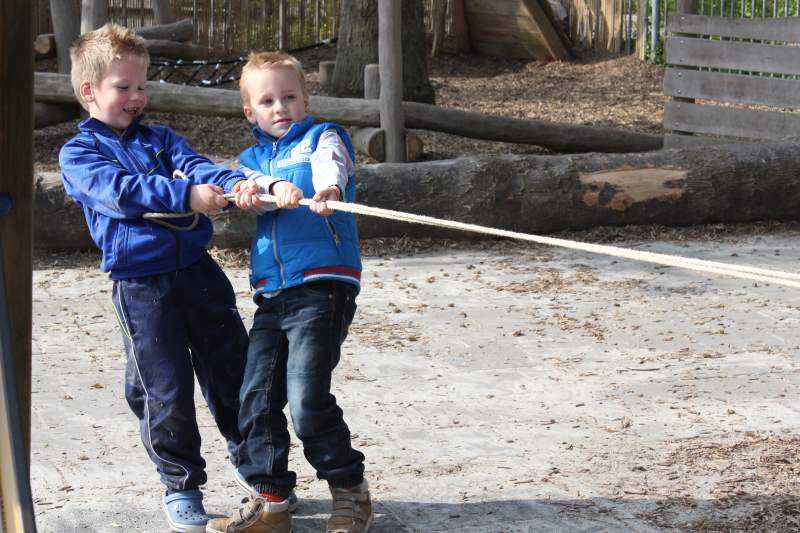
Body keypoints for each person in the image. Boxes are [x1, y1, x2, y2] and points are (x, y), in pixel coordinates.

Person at [59, 23, 252, 533]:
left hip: (198, 273)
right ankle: (181, 482)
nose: (136, 97)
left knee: (233, 366)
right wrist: (184, 195)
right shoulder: (78, 155)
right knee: (162, 388)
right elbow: (120, 191)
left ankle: (254, 464)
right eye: (123, 87)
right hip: (140, 285)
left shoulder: (162, 140)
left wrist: (239, 183)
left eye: (142, 86)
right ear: (89, 92)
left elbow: (199, 167)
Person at [205, 51, 372, 533]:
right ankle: (273, 499)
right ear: (250, 112)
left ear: (305, 100)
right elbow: (250, 187)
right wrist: (267, 188)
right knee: (254, 397)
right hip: (272, 295)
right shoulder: (250, 161)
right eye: (268, 101)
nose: (280, 107)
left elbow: (331, 166)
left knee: (305, 398)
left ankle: (350, 491)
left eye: (289, 97)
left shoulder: (324, 137)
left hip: (322, 285)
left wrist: (327, 192)